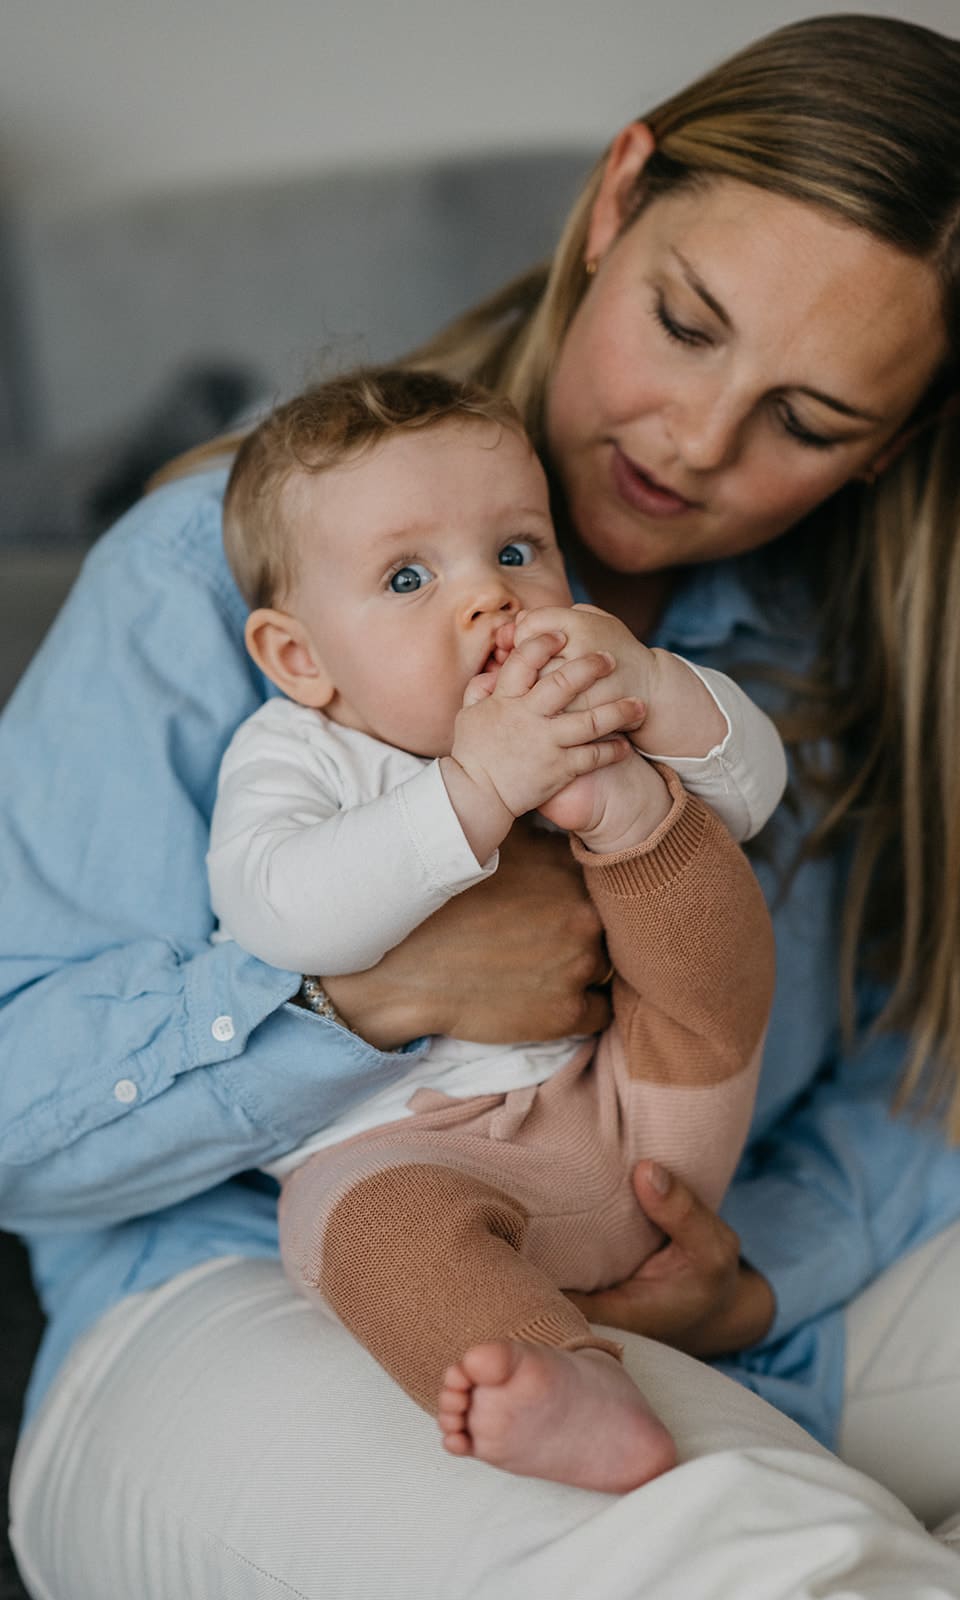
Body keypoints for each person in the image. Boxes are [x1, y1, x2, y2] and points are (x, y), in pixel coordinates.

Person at [4, 12, 960, 1597]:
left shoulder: (867, 636)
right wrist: (364, 997)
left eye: (807, 420)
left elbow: (939, 1064)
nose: (692, 443)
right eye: (687, 324)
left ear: (889, 445)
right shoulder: (205, 571)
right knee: (755, 1556)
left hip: (734, 1261)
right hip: (255, 1288)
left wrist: (756, 1281)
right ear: (614, 200)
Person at [208, 365, 783, 1490]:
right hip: (419, 1153)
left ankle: (625, 820)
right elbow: (281, 912)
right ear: (299, 657)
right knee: (351, 1232)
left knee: (693, 865)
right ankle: (564, 1378)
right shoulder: (296, 750)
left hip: (647, 1098)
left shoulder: (586, 690)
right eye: (409, 576)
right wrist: (472, 790)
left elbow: (753, 789)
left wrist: (653, 687)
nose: (490, 600)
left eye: (516, 550)